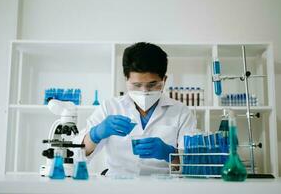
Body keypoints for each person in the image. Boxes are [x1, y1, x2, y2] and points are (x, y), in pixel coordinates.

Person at [75, 42, 196, 175]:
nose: (144, 91)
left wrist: (170, 153)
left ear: (164, 80)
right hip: (118, 185)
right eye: (137, 85)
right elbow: (76, 155)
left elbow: (192, 165)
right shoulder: (109, 107)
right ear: (126, 79)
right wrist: (95, 134)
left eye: (152, 84)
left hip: (162, 186)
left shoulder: (181, 112)